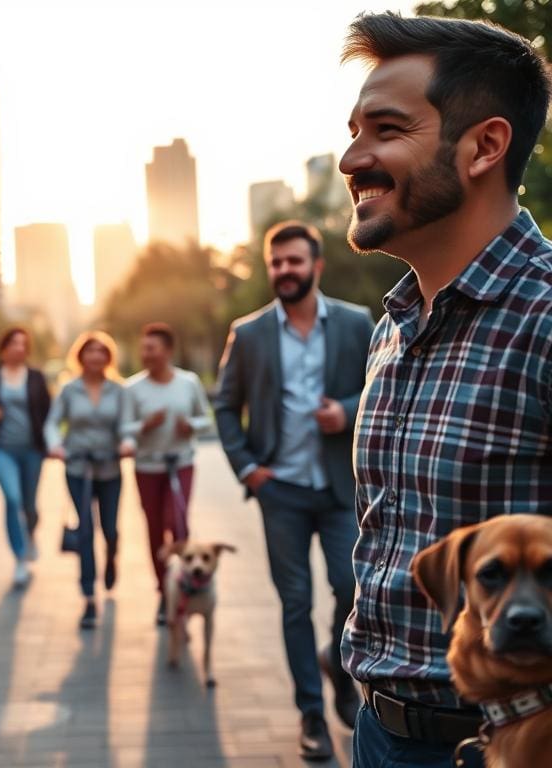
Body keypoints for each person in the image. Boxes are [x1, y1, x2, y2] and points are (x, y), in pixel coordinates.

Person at [337, 13, 552, 767]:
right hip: (377, 733)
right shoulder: (393, 323)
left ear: (484, 147)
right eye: (353, 129)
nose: (349, 158)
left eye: (384, 130)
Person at [214, 220, 374, 760]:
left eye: (294, 261)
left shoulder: (356, 323)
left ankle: (337, 661)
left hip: (336, 489)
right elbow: (223, 404)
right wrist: (246, 469)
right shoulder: (250, 331)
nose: (284, 271)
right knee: (294, 602)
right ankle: (311, 711)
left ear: (316, 266)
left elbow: (380, 388)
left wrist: (345, 412)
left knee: (351, 588)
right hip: (278, 489)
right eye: (276, 263)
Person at [121, 322, 212, 626]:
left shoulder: (188, 382)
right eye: (143, 348)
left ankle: (187, 588)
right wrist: (143, 427)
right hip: (148, 466)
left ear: (168, 351)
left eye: (152, 348)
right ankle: (164, 591)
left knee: (178, 522)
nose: (145, 354)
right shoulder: (132, 389)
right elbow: (123, 429)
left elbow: (204, 418)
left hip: (181, 463)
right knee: (155, 529)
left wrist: (191, 427)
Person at [44, 331, 127, 629]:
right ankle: (89, 597)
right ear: (80, 356)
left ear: (108, 357)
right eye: (89, 351)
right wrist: (55, 445)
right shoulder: (69, 390)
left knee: (109, 529)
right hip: (78, 467)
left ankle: (113, 556)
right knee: (85, 532)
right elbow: (53, 422)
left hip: (110, 468)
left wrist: (127, 442)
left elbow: (126, 425)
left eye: (101, 351)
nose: (95, 356)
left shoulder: (118, 390)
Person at [0, 327, 51, 588]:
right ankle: (19, 559)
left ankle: (30, 534)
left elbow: (48, 413)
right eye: (14, 343)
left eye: (24, 344)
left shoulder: (36, 377)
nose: (19, 348)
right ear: (4, 348)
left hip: (32, 451)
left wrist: (50, 443)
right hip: (3, 450)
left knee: (30, 505)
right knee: (13, 499)